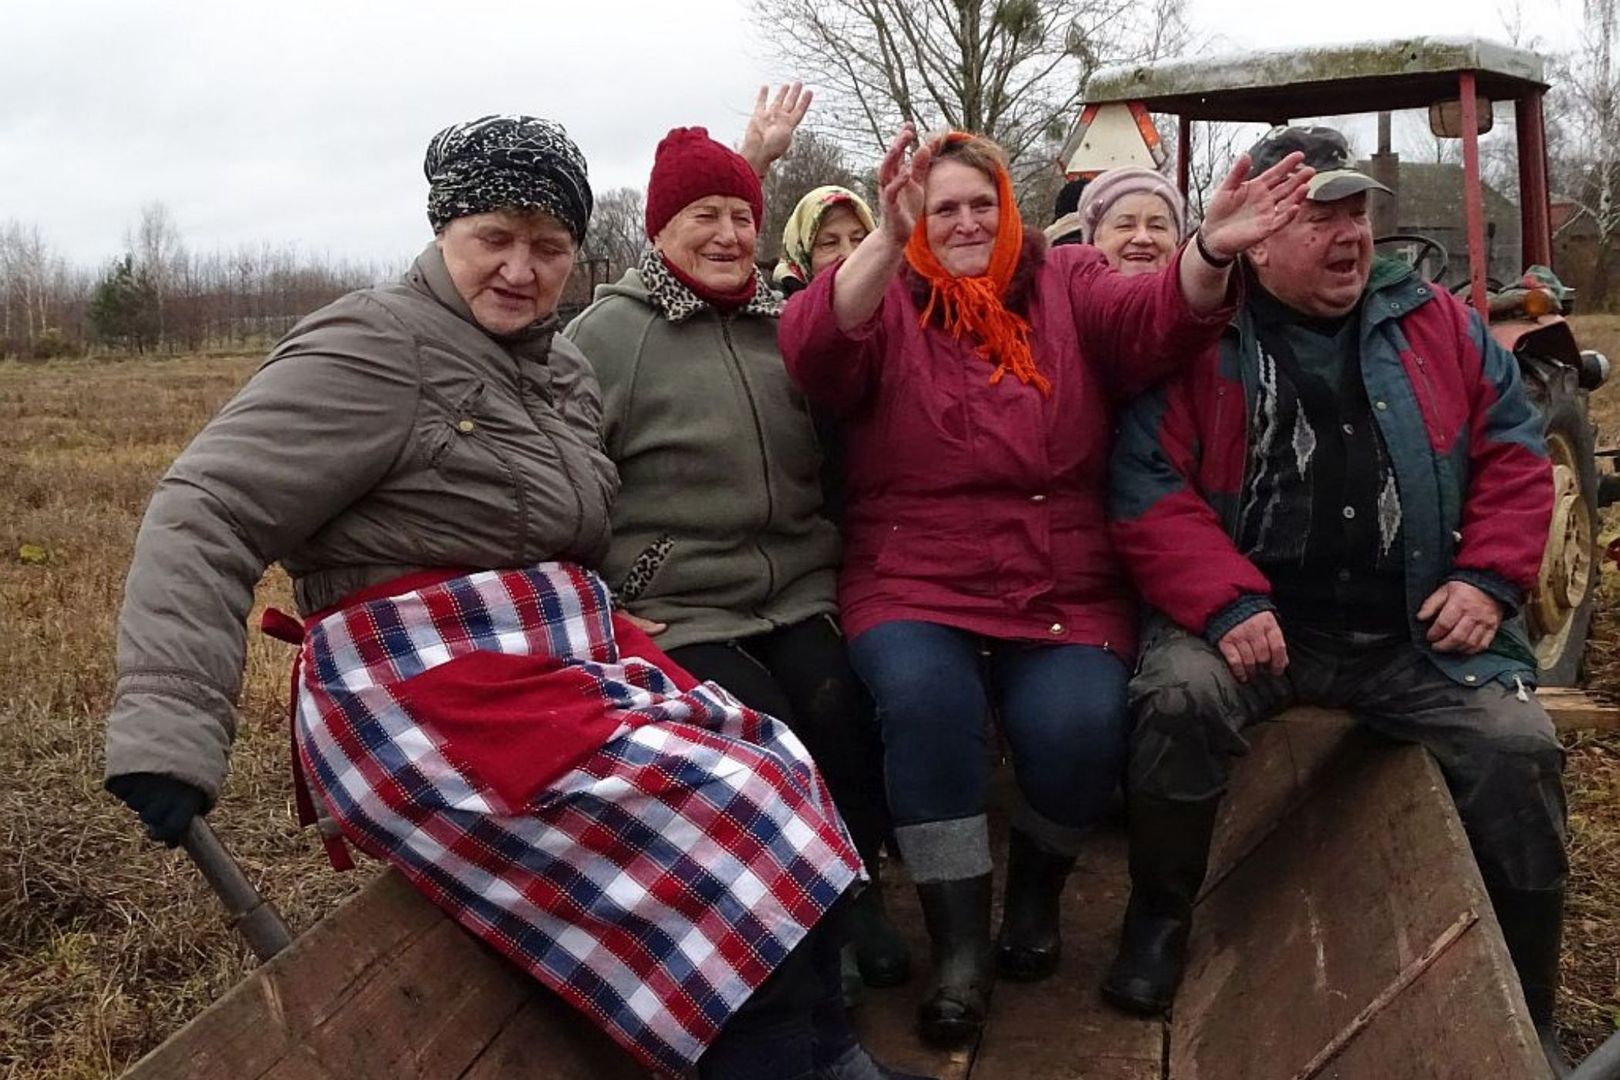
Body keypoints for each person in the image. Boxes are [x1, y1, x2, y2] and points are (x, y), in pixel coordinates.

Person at [103, 114, 905, 1080]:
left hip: (549, 661)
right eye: (495, 238)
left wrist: (610, 604)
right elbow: (207, 504)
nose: (520, 270)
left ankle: (823, 1054)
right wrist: (168, 730)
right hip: (425, 683)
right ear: (445, 231)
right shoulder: (375, 346)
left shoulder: (556, 364)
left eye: (549, 245)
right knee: (724, 803)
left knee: (774, 760)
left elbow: (566, 524)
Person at [779, 123, 1312, 1046]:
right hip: (914, 569)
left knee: (1079, 726)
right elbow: (814, 350)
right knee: (924, 703)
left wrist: (1211, 248)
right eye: (944, 207)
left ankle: (1033, 893)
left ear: (1011, 206)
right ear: (917, 217)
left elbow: (1156, 322)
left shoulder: (1067, 283)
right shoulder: (890, 298)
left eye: (982, 202)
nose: (966, 220)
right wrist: (879, 237)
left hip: (1059, 570)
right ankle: (957, 944)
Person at [1104, 125, 1568, 1074]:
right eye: (1321, 215)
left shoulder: (1435, 320)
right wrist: (1227, 603)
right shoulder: (1203, 335)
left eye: (1357, 210)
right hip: (1263, 618)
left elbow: (1517, 454)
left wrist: (1487, 579)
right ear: (1262, 235)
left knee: (1518, 749)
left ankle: (1523, 1002)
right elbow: (1148, 484)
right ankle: (1159, 917)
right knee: (1178, 699)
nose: (1349, 232)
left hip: (1413, 624)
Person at [563, 98, 918, 1031]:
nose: (727, 235)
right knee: (761, 734)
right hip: (682, 602)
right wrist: (605, 605)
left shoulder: (786, 320)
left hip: (799, 583)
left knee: (843, 710)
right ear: (661, 232)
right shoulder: (609, 338)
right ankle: (793, 935)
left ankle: (856, 891)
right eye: (702, 218)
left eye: (740, 217)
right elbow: (563, 485)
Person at [1068, 166, 1187, 274]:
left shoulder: (1200, 296)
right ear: (1093, 240)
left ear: (1176, 241)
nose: (1142, 238)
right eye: (1125, 225)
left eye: (1157, 226)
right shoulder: (1063, 296)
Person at [774, 185, 877, 296]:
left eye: (858, 240)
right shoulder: (775, 308)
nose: (848, 255)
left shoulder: (892, 302)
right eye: (830, 243)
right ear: (801, 253)